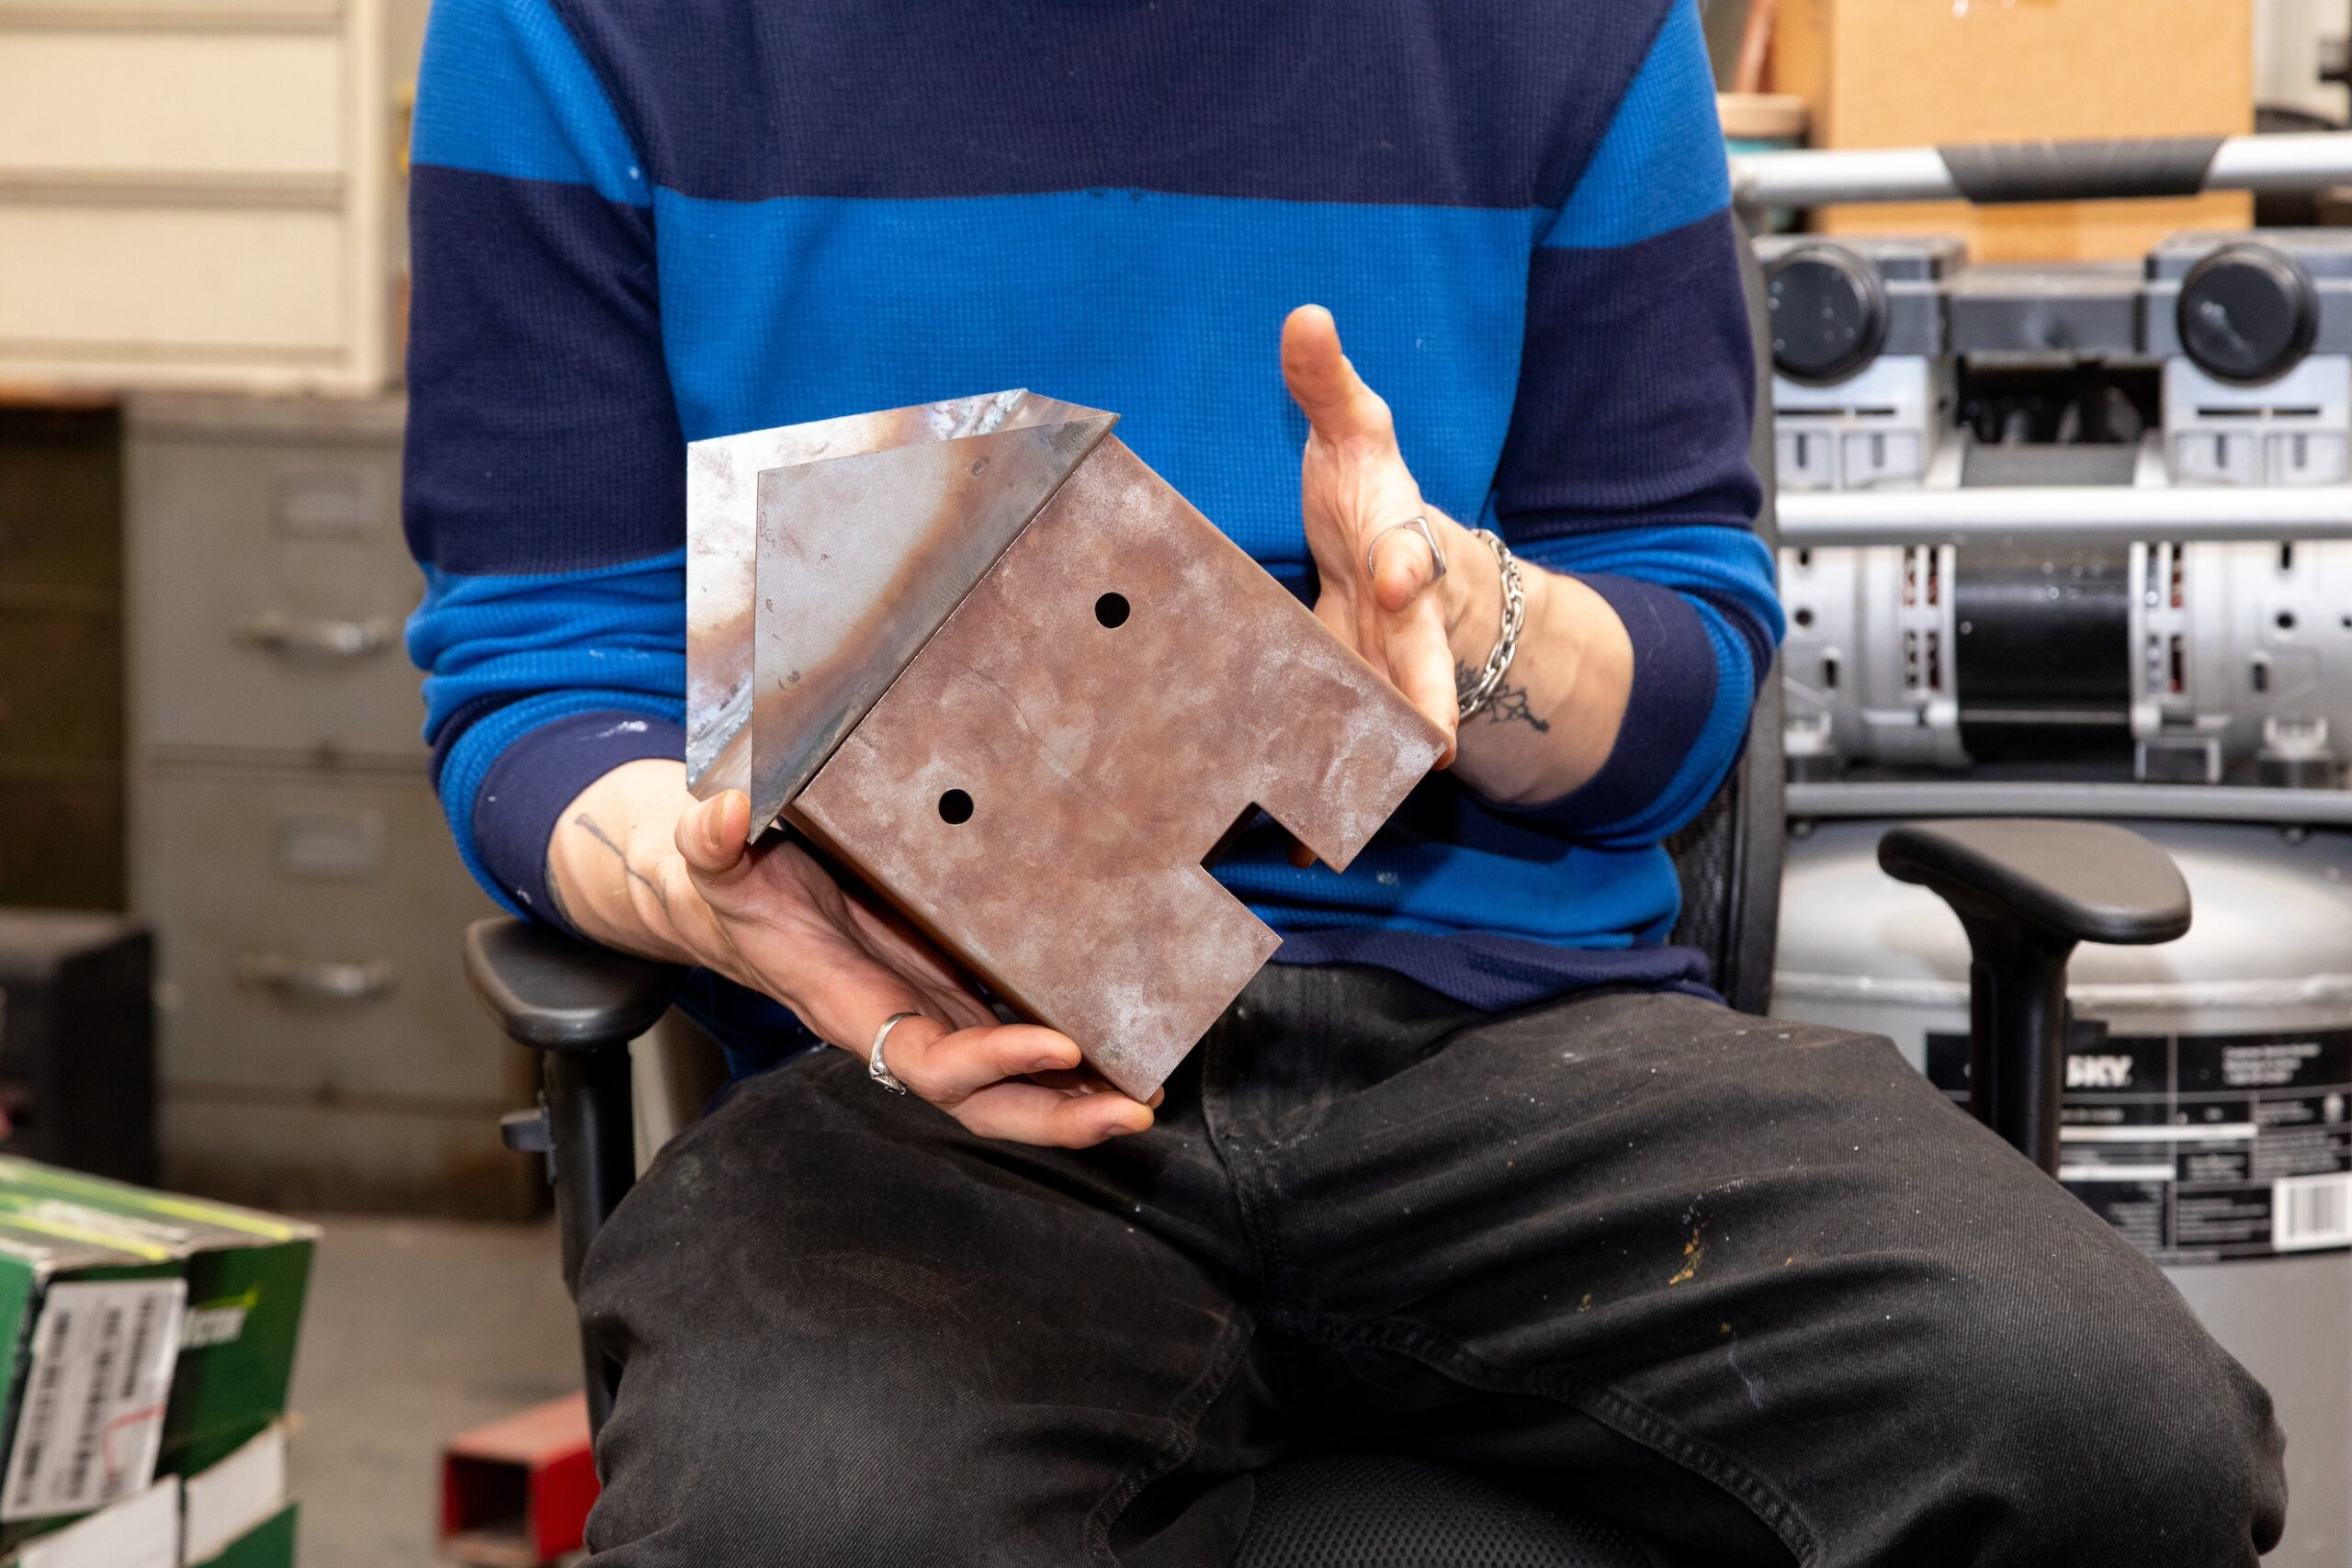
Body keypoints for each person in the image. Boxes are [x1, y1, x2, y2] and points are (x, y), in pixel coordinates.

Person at [402, 2, 2286, 1563]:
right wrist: (692, 868)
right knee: (791, 1526)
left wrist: (1468, 625)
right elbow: (541, 659)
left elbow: (1687, 661)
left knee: (2113, 1438)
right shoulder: (575, 32)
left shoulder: (1563, 26)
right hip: (937, 1077)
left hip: (1502, 1043)